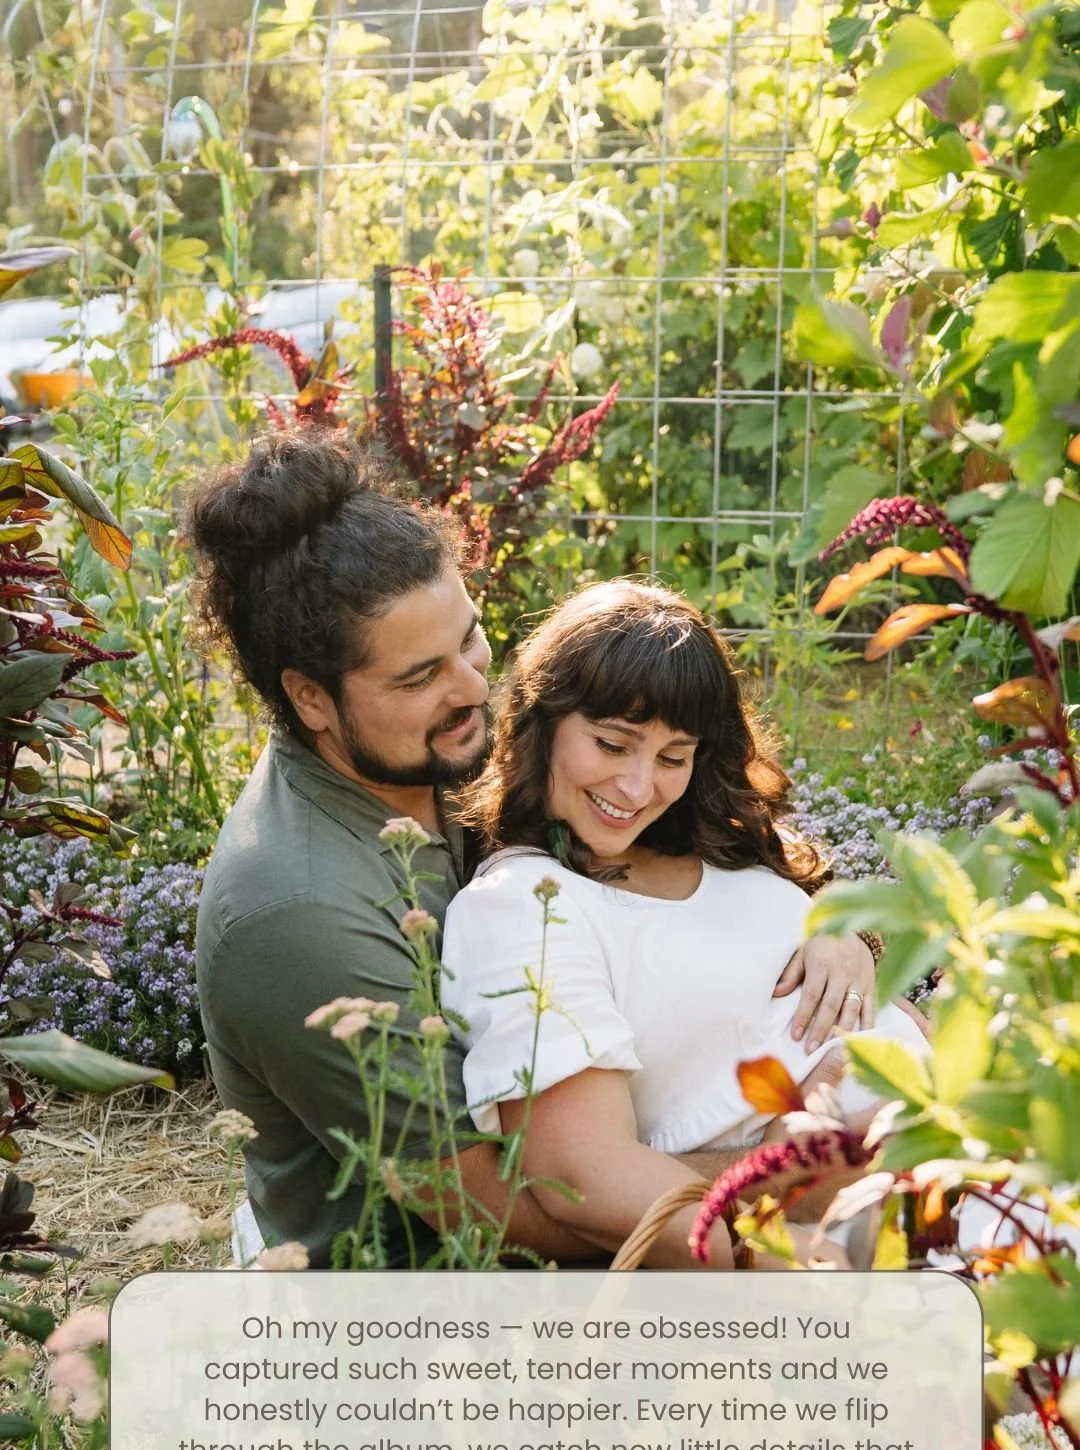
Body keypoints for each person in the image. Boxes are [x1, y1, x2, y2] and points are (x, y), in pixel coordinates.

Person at [188, 431, 882, 1268]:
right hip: (428, 1294)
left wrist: (834, 924)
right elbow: (512, 1207)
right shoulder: (300, 916)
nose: (474, 687)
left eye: (470, 639)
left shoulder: (429, 752)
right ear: (311, 699)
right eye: (419, 676)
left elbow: (676, 824)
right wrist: (801, 1167)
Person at [442, 579, 932, 1268]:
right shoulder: (523, 906)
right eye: (612, 744)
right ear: (541, 721)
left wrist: (847, 932)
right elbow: (586, 1180)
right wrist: (815, 1254)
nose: (639, 787)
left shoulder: (708, 842)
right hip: (887, 1218)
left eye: (673, 757)